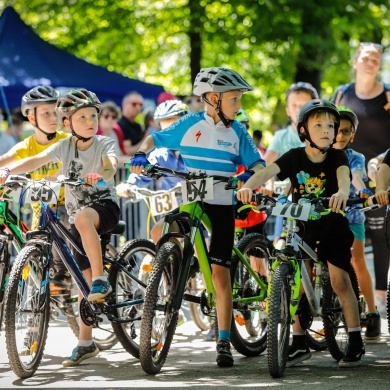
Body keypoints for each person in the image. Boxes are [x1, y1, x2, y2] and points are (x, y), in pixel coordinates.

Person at [129, 67, 266, 368]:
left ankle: (224, 339)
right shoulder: (190, 124)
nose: (239, 104)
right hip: (193, 199)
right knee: (166, 229)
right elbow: (155, 139)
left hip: (221, 203)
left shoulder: (237, 132)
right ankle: (176, 268)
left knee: (219, 273)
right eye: (234, 98)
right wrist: (141, 154)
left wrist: (249, 184)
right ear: (213, 98)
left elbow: (258, 165)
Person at [237, 99, 365, 367]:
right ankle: (297, 341)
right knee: (294, 279)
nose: (327, 130)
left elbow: (343, 178)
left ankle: (355, 340)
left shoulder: (337, 157)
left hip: (332, 223)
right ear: (304, 130)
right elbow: (268, 172)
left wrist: (342, 193)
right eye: (318, 124)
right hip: (302, 225)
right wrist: (248, 186)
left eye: (331, 125)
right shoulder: (294, 156)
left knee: (340, 280)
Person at [0, 88, 120, 367]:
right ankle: (86, 343)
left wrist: (99, 175)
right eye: (83, 117)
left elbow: (111, 165)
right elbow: (34, 161)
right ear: (68, 124)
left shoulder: (104, 143)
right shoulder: (64, 146)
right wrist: (9, 173)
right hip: (79, 216)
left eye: (94, 116)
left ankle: (102, 278)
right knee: (81, 279)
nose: (91, 121)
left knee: (81, 224)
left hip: (104, 208)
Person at [332, 42, 390, 315]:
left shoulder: (388, 96)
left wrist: (380, 166)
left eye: (376, 58)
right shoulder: (342, 94)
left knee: (379, 237)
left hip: (378, 172)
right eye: (366, 57)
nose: (371, 62)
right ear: (355, 61)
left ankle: (378, 299)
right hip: (342, 169)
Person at [0, 86, 71, 285]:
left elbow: (70, 161)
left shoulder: (66, 140)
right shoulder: (27, 145)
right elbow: (5, 160)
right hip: (40, 213)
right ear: (32, 119)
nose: (52, 118)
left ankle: (64, 285)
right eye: (46, 113)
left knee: (60, 262)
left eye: (55, 112)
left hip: (68, 207)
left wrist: (57, 176)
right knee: (33, 257)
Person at [334, 106, 381, 341]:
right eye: (336, 130)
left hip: (351, 216)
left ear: (352, 135)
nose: (340, 136)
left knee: (357, 259)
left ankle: (372, 312)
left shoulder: (355, 158)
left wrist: (363, 191)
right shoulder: (317, 156)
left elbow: (357, 176)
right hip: (323, 218)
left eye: (346, 132)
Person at [264, 82, 319, 245]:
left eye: (303, 105)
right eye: (294, 105)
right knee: (282, 240)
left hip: (315, 196)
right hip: (288, 198)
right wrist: (268, 183)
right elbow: (267, 164)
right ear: (287, 110)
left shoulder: (321, 134)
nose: (298, 109)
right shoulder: (281, 136)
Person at [116, 91, 146, 156]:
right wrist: (146, 139)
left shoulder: (138, 126)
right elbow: (127, 151)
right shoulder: (120, 125)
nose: (138, 107)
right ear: (124, 104)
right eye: (134, 104)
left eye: (140, 105)